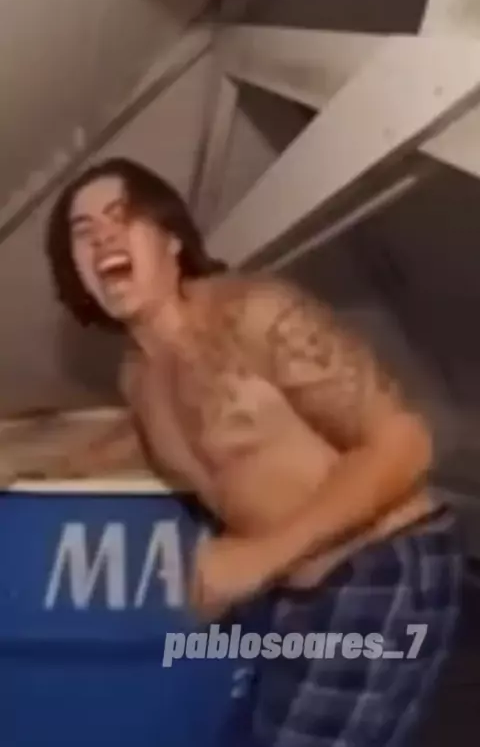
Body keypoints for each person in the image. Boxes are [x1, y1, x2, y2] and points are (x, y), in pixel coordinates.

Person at [45, 157, 462, 746]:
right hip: (298, 589)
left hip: (384, 564)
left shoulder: (254, 313)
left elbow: (405, 443)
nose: (103, 239)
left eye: (123, 218)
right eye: (84, 232)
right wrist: (32, 465)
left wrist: (261, 556)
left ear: (171, 239)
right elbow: (165, 440)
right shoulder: (137, 377)